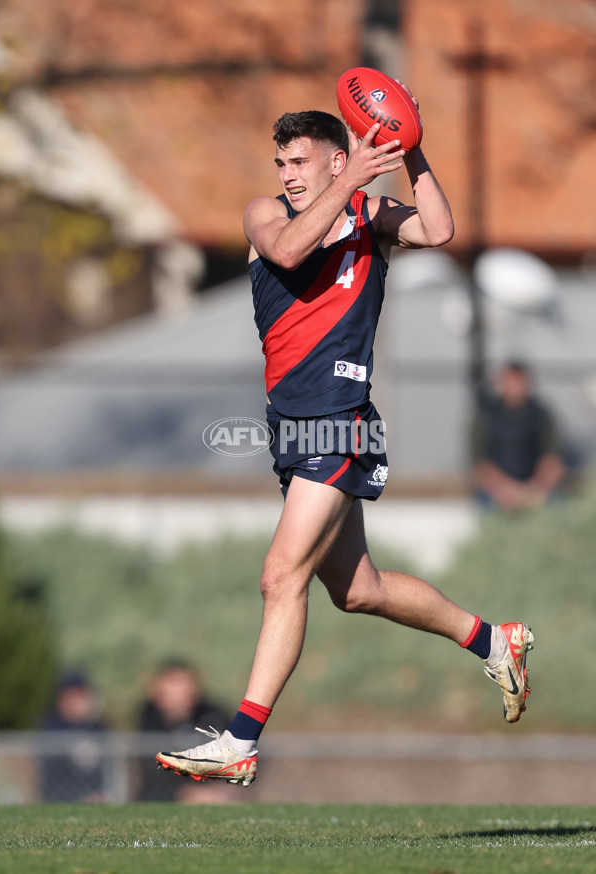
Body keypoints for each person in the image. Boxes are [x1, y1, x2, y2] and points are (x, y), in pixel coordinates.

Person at [156, 85, 534, 788]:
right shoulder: (267, 214)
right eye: (281, 162)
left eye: (301, 161)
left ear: (339, 159)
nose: (287, 175)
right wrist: (351, 184)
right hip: (289, 431)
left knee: (280, 576)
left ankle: (241, 738)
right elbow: (293, 252)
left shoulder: (370, 213)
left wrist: (411, 148)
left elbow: (441, 230)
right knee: (357, 590)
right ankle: (493, 639)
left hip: (342, 422)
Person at [470, 360, 567, 510]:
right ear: (500, 383)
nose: (514, 386)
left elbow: (552, 463)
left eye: (519, 380)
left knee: (559, 504)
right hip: (497, 491)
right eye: (510, 380)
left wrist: (534, 491)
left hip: (535, 489)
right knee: (484, 506)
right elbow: (480, 466)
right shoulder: (485, 416)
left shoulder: (542, 414)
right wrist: (506, 491)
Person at [137, 660, 229, 801]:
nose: (183, 692)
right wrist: (185, 793)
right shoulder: (148, 720)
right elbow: (154, 772)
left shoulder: (212, 714)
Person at [39, 670, 107, 802]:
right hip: (59, 798)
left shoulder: (98, 727)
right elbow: (53, 774)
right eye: (70, 696)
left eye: (79, 696)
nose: (74, 701)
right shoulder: (52, 728)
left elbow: (105, 771)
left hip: (95, 796)